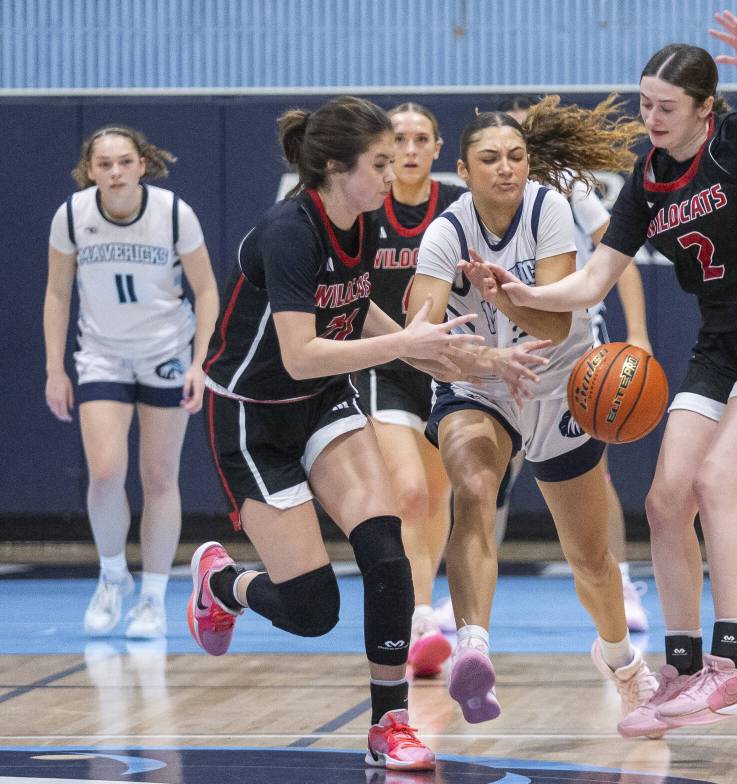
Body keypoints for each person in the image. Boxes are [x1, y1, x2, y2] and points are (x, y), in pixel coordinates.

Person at [478, 11, 737, 738]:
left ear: (705, 109)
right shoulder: (645, 183)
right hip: (722, 340)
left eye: (666, 107)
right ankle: (680, 668)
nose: (651, 118)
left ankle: (734, 665)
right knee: (665, 499)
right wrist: (518, 294)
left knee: (715, 486)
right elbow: (590, 284)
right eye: (645, 104)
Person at [190, 96, 545, 770]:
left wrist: (466, 356)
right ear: (332, 167)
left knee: (386, 554)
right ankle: (222, 582)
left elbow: (360, 315)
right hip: (252, 416)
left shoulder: (365, 224)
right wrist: (403, 348)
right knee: (312, 609)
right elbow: (300, 352)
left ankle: (390, 725)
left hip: (321, 402)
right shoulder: (288, 233)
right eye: (378, 163)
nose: (392, 175)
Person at [407, 95, 659, 726]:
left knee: (589, 560)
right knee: (473, 489)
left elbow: (552, 319)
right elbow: (421, 334)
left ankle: (622, 661)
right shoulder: (446, 231)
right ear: (462, 171)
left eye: (516, 156)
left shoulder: (550, 207)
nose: (506, 168)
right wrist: (464, 354)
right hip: (483, 385)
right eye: (489, 158)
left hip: (562, 380)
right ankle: (473, 650)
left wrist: (504, 296)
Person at [44, 125, 219, 639]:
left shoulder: (171, 213)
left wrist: (200, 362)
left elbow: (206, 290)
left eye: (124, 162)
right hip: (102, 354)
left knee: (159, 476)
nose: (115, 172)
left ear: (142, 164)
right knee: (104, 472)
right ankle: (112, 573)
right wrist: (56, 369)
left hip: (165, 352)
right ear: (89, 170)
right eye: (104, 164)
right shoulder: (72, 216)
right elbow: (57, 295)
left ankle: (152, 596)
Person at [496, 94, 654, 634]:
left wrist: (637, 333)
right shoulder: (476, 204)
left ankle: (623, 578)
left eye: (518, 141)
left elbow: (619, 259)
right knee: (495, 468)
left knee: (592, 469)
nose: (508, 158)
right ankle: (474, 591)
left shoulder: (568, 187)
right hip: (508, 343)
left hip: (575, 341)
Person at [354, 102, 466, 678]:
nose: (411, 149)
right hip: (386, 360)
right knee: (409, 493)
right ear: (386, 146)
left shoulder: (455, 207)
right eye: (400, 138)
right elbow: (350, 290)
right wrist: (402, 341)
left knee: (439, 494)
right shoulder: (368, 206)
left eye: (422, 138)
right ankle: (419, 615)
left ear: (438, 147)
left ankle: (425, 597)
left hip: (442, 361)